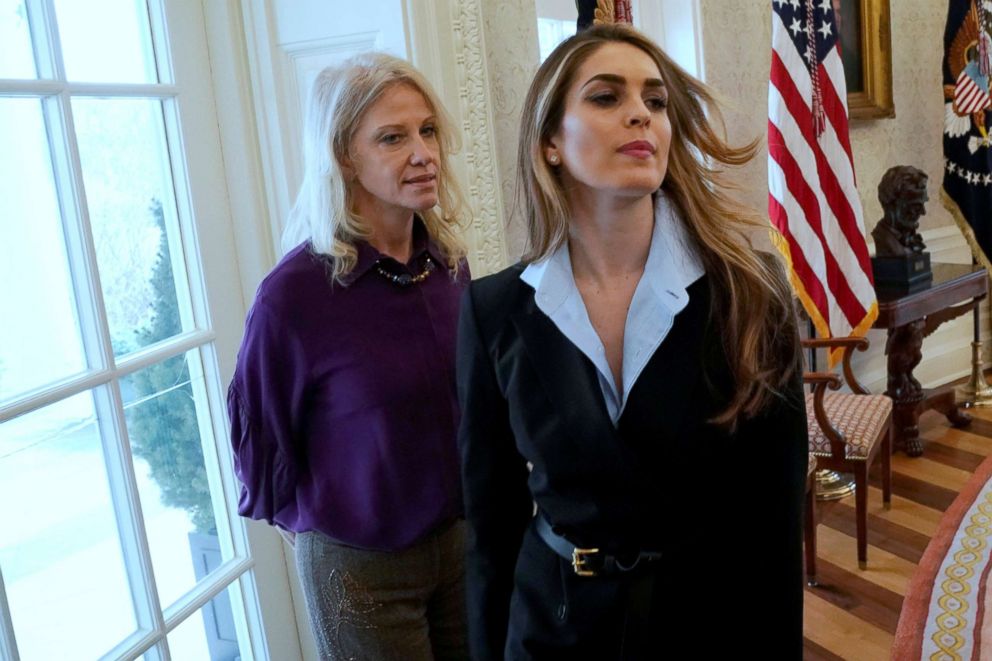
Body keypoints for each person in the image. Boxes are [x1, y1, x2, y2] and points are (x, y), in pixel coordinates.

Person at [456, 24, 807, 660]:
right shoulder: (494, 310)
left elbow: (774, 518)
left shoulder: (750, 289)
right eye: (605, 97)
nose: (640, 113)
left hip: (707, 622)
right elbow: (491, 525)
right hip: (552, 627)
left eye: (656, 100)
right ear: (551, 143)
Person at [228, 52, 470, 661]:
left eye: (428, 130)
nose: (423, 152)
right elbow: (260, 443)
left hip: (465, 547)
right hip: (362, 574)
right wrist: (321, 533)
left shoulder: (450, 265)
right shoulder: (295, 294)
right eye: (393, 137)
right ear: (343, 155)